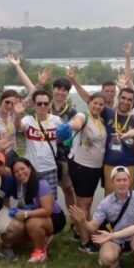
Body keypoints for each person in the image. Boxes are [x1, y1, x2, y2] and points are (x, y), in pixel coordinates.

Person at [73, 167, 134, 268]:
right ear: (112, 183)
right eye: (118, 180)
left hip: (133, 237)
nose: (122, 183)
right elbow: (93, 226)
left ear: (129, 181)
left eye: (124, 180)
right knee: (107, 258)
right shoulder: (105, 203)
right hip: (114, 239)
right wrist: (83, 221)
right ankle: (114, 260)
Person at [65, 93, 108, 253]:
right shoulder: (83, 115)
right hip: (82, 166)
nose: (97, 106)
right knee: (84, 204)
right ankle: (85, 241)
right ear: (89, 103)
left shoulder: (100, 120)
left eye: (101, 104)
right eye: (95, 103)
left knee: (84, 203)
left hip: (95, 167)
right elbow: (77, 123)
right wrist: (71, 125)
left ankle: (79, 232)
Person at [9, 157, 67, 263]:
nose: (20, 173)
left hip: (54, 217)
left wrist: (25, 214)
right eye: (16, 172)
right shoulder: (19, 183)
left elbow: (47, 210)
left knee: (32, 223)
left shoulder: (41, 184)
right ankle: (40, 237)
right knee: (11, 239)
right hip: (33, 213)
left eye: (22, 169)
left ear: (30, 168)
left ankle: (40, 252)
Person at [15, 89, 62, 197]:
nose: (42, 106)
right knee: (29, 201)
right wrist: (17, 115)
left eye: (45, 103)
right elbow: (18, 127)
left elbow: (65, 136)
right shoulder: (28, 120)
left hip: (50, 168)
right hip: (30, 169)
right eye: (39, 103)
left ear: (50, 104)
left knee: (50, 202)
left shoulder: (56, 120)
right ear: (34, 105)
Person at [101, 88, 134, 194]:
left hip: (130, 165)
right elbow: (89, 99)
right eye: (123, 98)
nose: (125, 101)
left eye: (129, 99)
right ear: (118, 98)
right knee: (110, 197)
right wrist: (73, 81)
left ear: (132, 102)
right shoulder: (107, 113)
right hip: (109, 163)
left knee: (130, 197)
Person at [49, 77, 79, 212]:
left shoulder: (71, 112)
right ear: (53, 89)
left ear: (67, 93)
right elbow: (32, 91)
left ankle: (74, 220)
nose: (60, 93)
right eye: (58, 89)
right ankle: (49, 219)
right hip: (44, 156)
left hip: (63, 157)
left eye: (64, 90)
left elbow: (75, 133)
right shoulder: (43, 106)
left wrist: (63, 139)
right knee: (45, 190)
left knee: (68, 190)